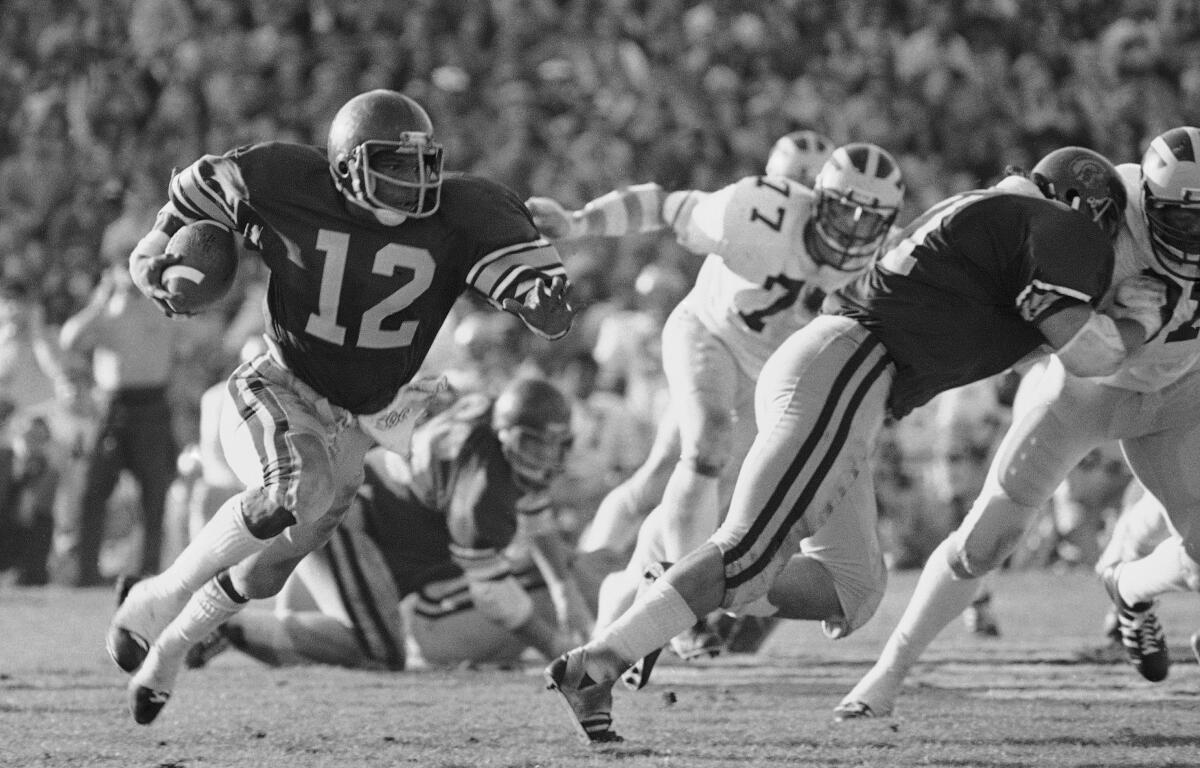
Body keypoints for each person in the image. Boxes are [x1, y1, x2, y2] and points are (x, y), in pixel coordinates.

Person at [544, 145, 1146, 745]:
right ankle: (598, 663)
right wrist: (1141, 321)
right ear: (1082, 204)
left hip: (849, 375)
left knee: (851, 587)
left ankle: (669, 585)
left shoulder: (998, 214)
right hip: (851, 367)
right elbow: (1087, 352)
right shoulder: (1054, 226)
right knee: (749, 549)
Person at [105, 89, 574, 725]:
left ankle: (171, 650)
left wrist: (541, 300)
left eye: (421, 165)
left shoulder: (466, 211)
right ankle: (160, 594)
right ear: (348, 165)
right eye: (394, 164)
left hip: (357, 424)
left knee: (266, 575)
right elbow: (177, 214)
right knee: (299, 485)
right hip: (279, 383)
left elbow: (539, 295)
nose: (413, 182)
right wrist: (147, 266)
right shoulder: (280, 179)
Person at [834, 128, 1200, 720]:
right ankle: (889, 672)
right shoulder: (1105, 205)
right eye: (1185, 220)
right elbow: (1018, 203)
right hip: (1087, 389)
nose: (1196, 234)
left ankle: (1128, 589)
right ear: (1149, 202)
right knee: (986, 541)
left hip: (1182, 391)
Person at [528, 131, 843, 660]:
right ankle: (682, 610)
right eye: (795, 184)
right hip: (710, 337)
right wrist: (579, 222)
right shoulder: (752, 209)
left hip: (770, 374)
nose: (804, 199)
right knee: (696, 453)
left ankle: (622, 598)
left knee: (720, 497)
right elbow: (663, 204)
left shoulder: (857, 250)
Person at [188, 378, 591, 671]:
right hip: (352, 526)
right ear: (506, 436)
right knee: (379, 651)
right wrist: (554, 646)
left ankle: (227, 618)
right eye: (533, 445)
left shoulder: (489, 414)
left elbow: (536, 515)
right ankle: (230, 625)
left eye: (555, 445)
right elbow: (494, 595)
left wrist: (563, 589)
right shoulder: (484, 483)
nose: (545, 458)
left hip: (374, 530)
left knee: (352, 642)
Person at [58, 221, 182, 586]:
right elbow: (69, 340)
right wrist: (101, 300)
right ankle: (85, 572)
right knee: (94, 491)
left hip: (153, 406)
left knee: (154, 493)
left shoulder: (160, 305)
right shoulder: (106, 312)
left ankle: (148, 571)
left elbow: (190, 335)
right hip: (113, 406)